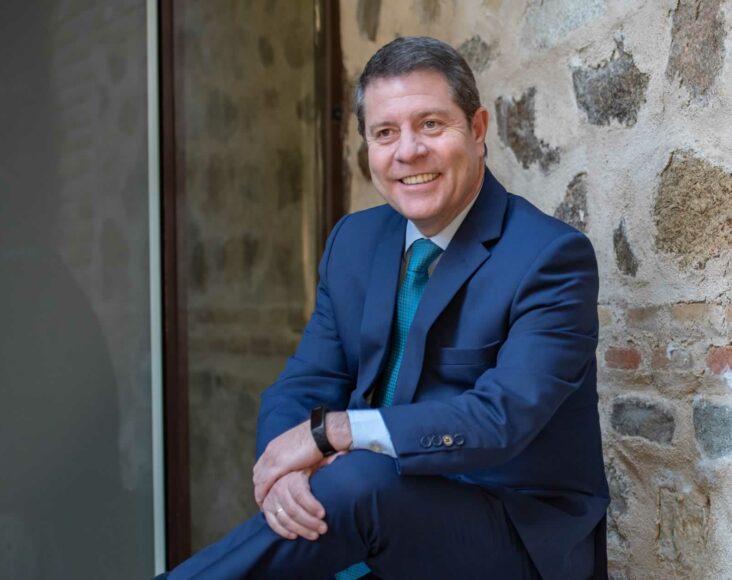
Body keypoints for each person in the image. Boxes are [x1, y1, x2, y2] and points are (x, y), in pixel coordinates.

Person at [164, 36, 609, 579]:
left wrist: (335, 432)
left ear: (477, 129)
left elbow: (500, 419)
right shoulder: (353, 241)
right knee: (348, 486)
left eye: (430, 124)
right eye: (385, 133)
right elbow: (305, 382)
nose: (408, 151)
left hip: (513, 532)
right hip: (371, 510)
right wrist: (285, 469)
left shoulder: (549, 256)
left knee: (359, 481)